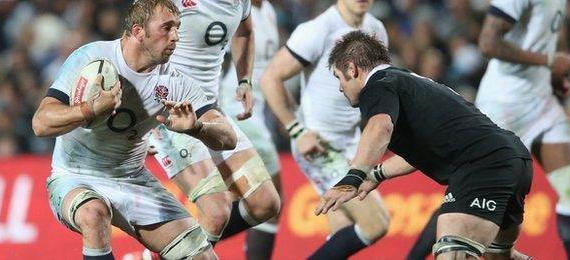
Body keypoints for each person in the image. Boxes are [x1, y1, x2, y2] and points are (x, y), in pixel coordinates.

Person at [32, 1, 237, 259]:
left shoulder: (175, 83)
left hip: (133, 180)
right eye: (167, 28)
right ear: (139, 31)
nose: (176, 36)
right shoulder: (92, 58)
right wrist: (89, 109)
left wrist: (198, 127)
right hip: (75, 175)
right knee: (94, 213)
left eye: (178, 28)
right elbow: (40, 123)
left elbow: (227, 137)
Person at [317, 30, 533, 260]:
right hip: (513, 159)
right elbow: (423, 148)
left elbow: (380, 127)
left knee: (451, 254)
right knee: (500, 257)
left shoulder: (378, 85)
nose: (340, 87)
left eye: (338, 77)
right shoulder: (406, 81)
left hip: (482, 165)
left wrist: (353, 177)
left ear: (352, 69)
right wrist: (376, 174)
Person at [410, 0, 570, 259]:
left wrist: (551, 75)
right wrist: (548, 60)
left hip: (540, 99)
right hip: (504, 103)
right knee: (465, 198)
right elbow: (488, 42)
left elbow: (534, 38)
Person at [260, 1, 390, 259]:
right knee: (377, 223)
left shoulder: (377, 29)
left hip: (351, 142)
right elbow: (270, 77)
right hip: (319, 144)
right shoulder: (319, 29)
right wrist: (297, 130)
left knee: (340, 235)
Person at [147, 0, 280, 248]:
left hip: (209, 110)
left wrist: (245, 80)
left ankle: (163, 255)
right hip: (169, 112)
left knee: (266, 203)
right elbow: (135, 43)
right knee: (216, 213)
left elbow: (246, 32)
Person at [217, 0, 283, 258]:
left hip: (256, 111)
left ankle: (173, 248)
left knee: (242, 203)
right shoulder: (234, 7)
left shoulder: (267, 10)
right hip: (235, 107)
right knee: (270, 198)